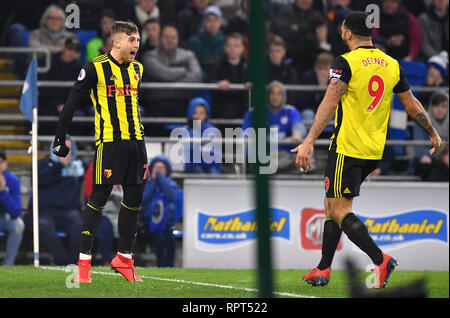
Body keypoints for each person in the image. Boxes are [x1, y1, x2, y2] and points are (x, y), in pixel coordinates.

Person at [291, 11, 442, 289]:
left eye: (343, 29)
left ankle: (380, 259)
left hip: (347, 147)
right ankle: (323, 268)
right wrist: (432, 132)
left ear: (348, 33)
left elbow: (330, 100)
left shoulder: (345, 62)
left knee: (338, 209)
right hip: (373, 150)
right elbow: (411, 104)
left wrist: (310, 139)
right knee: (332, 203)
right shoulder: (391, 63)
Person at [52, 21, 148, 283]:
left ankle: (124, 258)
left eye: (138, 39)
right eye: (131, 39)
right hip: (110, 142)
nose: (136, 45)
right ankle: (84, 263)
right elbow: (71, 104)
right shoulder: (95, 67)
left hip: (137, 143)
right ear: (116, 42)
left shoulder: (138, 69)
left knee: (134, 199)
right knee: (99, 198)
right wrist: (60, 138)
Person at [26, 137, 84, 265]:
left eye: (68, 149)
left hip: (69, 211)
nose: (65, 152)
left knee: (81, 226)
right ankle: (63, 260)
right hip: (44, 211)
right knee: (42, 225)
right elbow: (40, 181)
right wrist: (58, 165)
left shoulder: (78, 167)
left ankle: (72, 262)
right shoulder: (41, 164)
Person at [141, 24, 202, 120]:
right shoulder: (149, 56)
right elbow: (163, 73)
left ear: (178, 39)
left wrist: (166, 85)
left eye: (173, 37)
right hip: (157, 104)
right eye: (166, 37)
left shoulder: (189, 55)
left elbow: (197, 76)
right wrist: (183, 71)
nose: (170, 40)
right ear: (160, 38)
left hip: (183, 102)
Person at [243, 81, 305, 174]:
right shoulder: (254, 112)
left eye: (279, 94)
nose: (275, 97)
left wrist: (297, 134)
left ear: (283, 96)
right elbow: (245, 135)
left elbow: (298, 126)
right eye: (272, 93)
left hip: (285, 156)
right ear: (267, 95)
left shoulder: (290, 111)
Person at [38, 35, 85, 135]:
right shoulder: (47, 61)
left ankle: (77, 144)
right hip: (49, 104)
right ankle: (45, 143)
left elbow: (83, 92)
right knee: (43, 112)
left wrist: (68, 105)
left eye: (75, 50)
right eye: (70, 48)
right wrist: (57, 105)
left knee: (80, 115)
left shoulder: (81, 68)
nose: (72, 53)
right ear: (63, 47)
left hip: (71, 106)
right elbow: (43, 88)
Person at [141, 155, 179, 267]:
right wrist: (153, 181)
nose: (158, 171)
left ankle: (169, 266)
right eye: (156, 168)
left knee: (171, 240)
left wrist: (161, 180)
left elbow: (171, 196)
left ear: (167, 170)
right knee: (159, 238)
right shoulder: (146, 184)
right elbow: (144, 199)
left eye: (161, 168)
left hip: (167, 225)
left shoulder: (171, 184)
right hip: (150, 225)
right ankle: (161, 266)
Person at [410, 91, 448, 177]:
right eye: (436, 105)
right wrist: (442, 154)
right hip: (427, 163)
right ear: (431, 106)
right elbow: (419, 151)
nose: (440, 109)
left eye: (444, 106)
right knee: (425, 161)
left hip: (443, 162)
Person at [211, 32, 249, 119]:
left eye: (236, 46)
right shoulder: (217, 64)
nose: (232, 49)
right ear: (225, 47)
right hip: (222, 110)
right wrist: (218, 83)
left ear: (242, 48)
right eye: (229, 45)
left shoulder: (249, 64)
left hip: (243, 110)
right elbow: (210, 81)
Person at [187, 5, 226, 82]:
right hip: (198, 85)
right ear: (203, 22)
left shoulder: (226, 42)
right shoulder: (193, 42)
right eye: (209, 20)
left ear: (220, 21)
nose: (212, 24)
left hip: (221, 86)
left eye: (215, 20)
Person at [184, 97, 222, 174]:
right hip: (193, 166)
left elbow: (216, 153)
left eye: (202, 113)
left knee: (214, 174)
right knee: (200, 174)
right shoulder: (186, 130)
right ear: (190, 113)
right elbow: (188, 154)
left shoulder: (213, 130)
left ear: (206, 114)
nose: (198, 116)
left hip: (210, 166)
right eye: (195, 112)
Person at [0, 149, 24, 266]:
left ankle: (8, 264)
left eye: (0, 162)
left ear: (6, 164)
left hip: (5, 217)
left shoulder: (12, 180)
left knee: (18, 225)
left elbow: (16, 212)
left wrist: (3, 191)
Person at [267, 35, 299, 106]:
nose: (274, 54)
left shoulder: (291, 73)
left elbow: (292, 97)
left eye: (278, 51)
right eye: (272, 51)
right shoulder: (262, 72)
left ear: (284, 52)